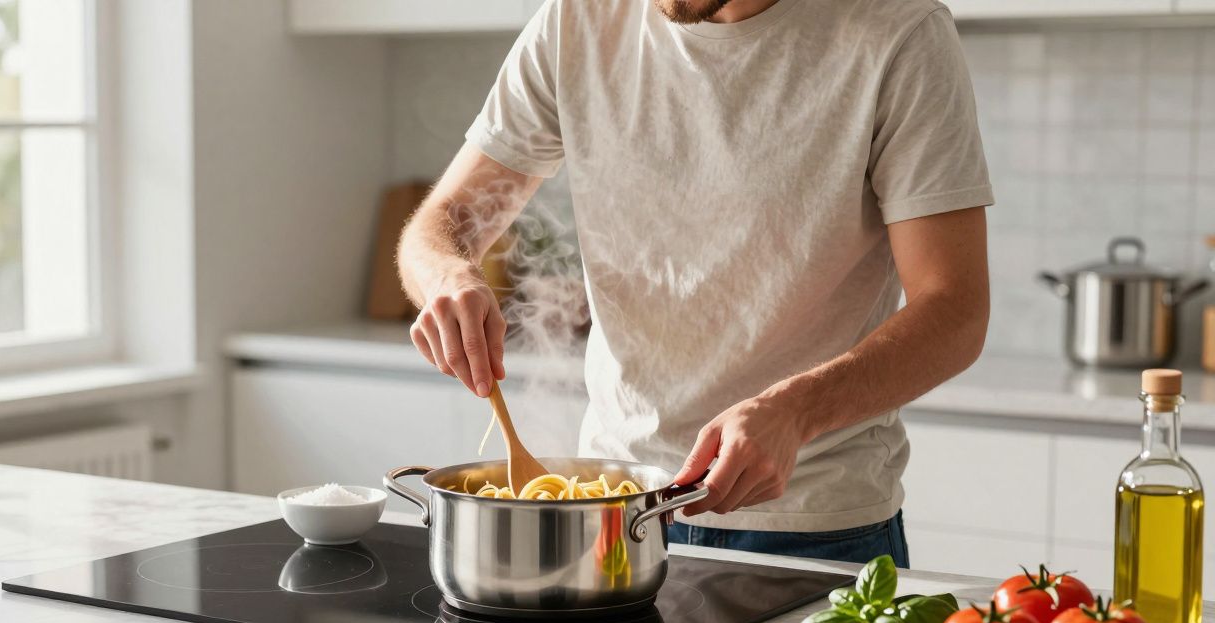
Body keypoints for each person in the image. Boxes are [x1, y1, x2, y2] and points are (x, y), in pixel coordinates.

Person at [395, 0, 993, 567]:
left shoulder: (898, 31)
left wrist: (795, 412)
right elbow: (441, 223)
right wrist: (447, 273)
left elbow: (955, 310)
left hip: (815, 527)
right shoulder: (576, 20)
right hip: (616, 510)